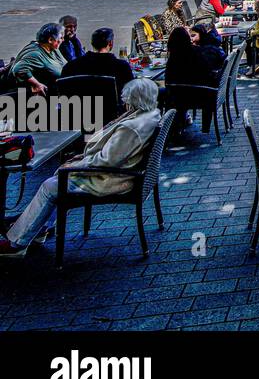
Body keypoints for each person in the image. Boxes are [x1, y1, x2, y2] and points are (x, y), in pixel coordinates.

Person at [0, 78, 162, 257]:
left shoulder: (130, 128)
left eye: (126, 99)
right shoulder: (151, 115)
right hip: (121, 174)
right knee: (54, 183)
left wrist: (77, 163)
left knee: (50, 186)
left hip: (111, 179)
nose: (123, 102)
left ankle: (17, 243)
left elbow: (106, 161)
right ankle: (37, 227)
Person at [61, 27, 133, 93]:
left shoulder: (71, 66)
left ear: (92, 43)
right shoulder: (122, 67)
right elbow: (131, 92)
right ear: (110, 43)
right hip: (110, 107)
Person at [2, 22, 64, 95]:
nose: (63, 40)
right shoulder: (36, 54)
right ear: (50, 40)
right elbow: (19, 69)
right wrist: (37, 84)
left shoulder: (53, 49)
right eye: (61, 38)